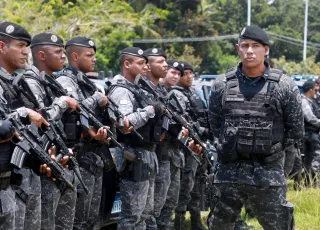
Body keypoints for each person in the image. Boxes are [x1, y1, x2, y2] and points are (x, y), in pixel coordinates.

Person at [208, 25, 303, 230]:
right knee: (219, 226)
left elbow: (295, 130)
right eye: (245, 46)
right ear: (237, 48)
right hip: (228, 172)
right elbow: (215, 125)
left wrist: (267, 148)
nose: (249, 51)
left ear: (266, 49)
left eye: (255, 46)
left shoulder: (284, 86)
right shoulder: (221, 84)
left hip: (267, 173)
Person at [22, 32, 81, 230]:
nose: (63, 56)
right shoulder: (30, 81)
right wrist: (62, 102)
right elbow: (41, 119)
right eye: (57, 52)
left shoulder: (51, 82)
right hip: (42, 168)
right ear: (41, 55)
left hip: (61, 160)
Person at [107, 47, 166, 229]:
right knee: (132, 216)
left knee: (146, 214)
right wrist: (151, 110)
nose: (145, 67)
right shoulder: (121, 91)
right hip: (133, 156)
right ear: (127, 64)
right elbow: (124, 125)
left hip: (147, 154)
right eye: (141, 63)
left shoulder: (138, 89)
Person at [56, 36, 110, 230]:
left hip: (93, 155)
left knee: (91, 219)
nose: (94, 59)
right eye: (89, 55)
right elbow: (76, 110)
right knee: (76, 221)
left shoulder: (87, 82)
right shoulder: (65, 80)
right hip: (77, 156)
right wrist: (96, 98)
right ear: (75, 56)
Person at [0, 21, 50, 230]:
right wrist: (24, 114)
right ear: (2, 46)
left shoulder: (14, 83)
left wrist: (39, 161)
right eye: (20, 46)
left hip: (9, 182)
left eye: (26, 46)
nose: (25, 52)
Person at [170, 61, 208, 230]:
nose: (189, 76)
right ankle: (179, 223)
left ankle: (195, 221)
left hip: (199, 145)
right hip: (186, 148)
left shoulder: (193, 92)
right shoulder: (175, 94)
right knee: (185, 187)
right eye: (185, 74)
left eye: (191, 73)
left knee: (197, 185)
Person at [301, 80, 320, 187]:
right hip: (309, 134)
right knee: (315, 157)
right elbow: (310, 118)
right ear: (310, 90)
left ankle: (309, 182)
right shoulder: (304, 101)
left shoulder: (310, 100)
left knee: (310, 158)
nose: (315, 92)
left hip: (312, 133)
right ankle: (313, 182)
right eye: (314, 89)